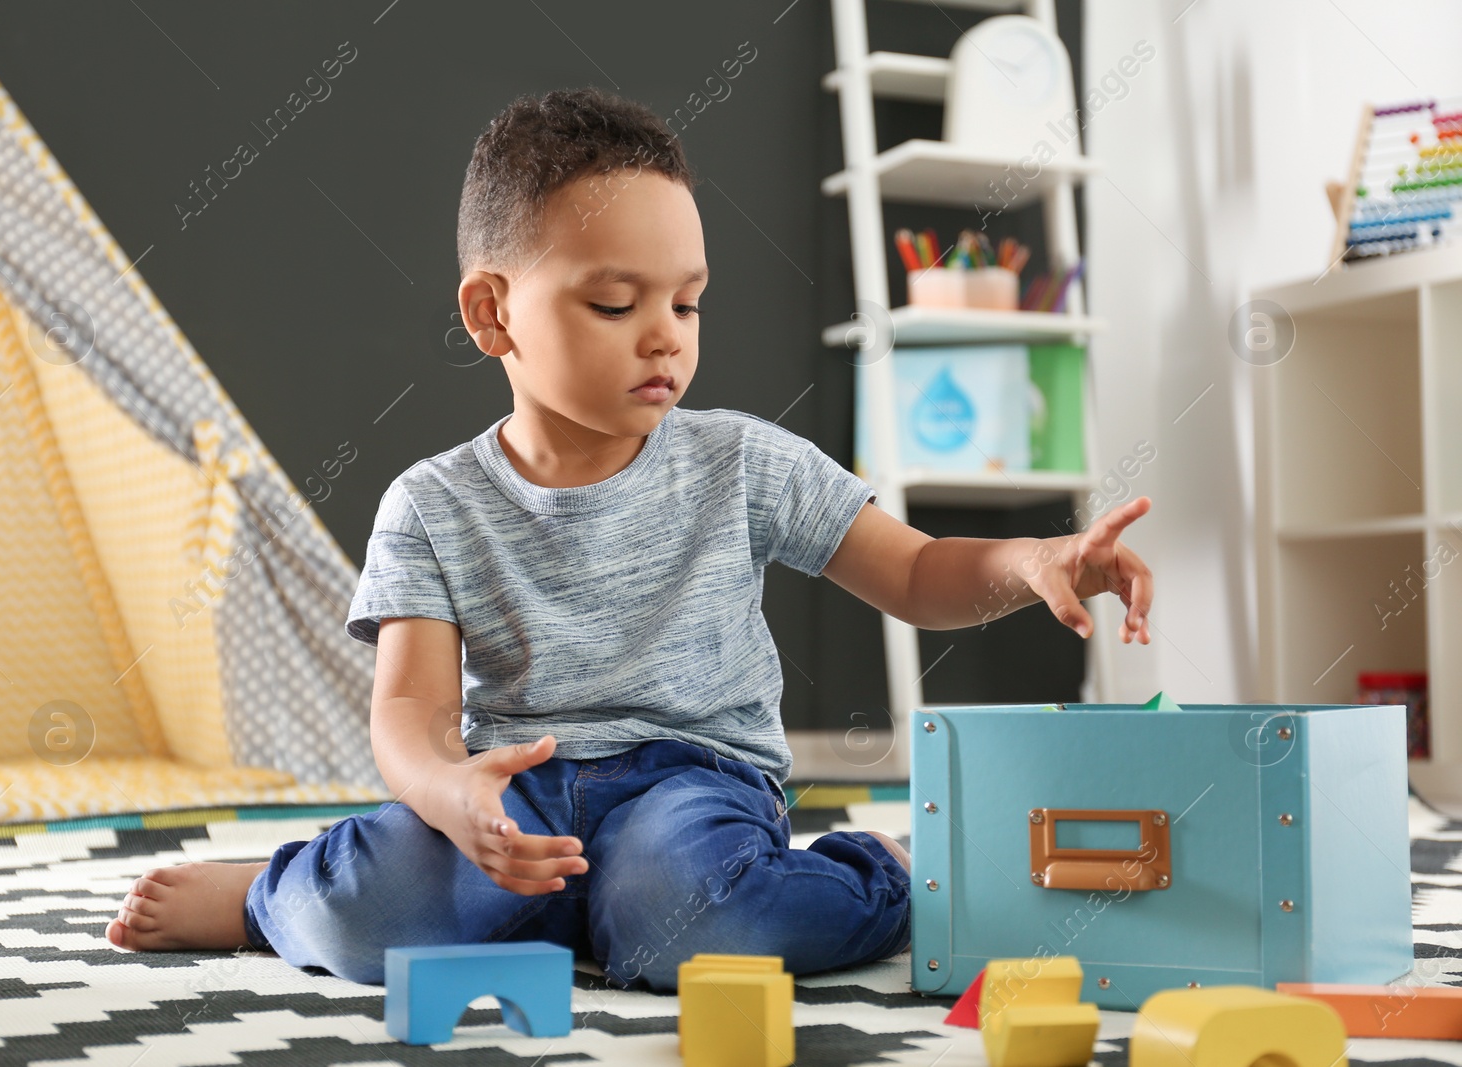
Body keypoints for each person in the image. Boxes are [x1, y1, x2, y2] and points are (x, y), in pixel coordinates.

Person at [103, 87, 1154, 991]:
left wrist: (1031, 560)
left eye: (688, 304)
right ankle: (273, 892)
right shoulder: (429, 503)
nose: (665, 334)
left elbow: (918, 571)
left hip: (693, 787)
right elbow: (411, 712)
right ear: (493, 313)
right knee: (359, 916)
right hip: (516, 791)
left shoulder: (744, 462)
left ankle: (881, 864)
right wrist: (451, 792)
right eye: (615, 302)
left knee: (707, 922)